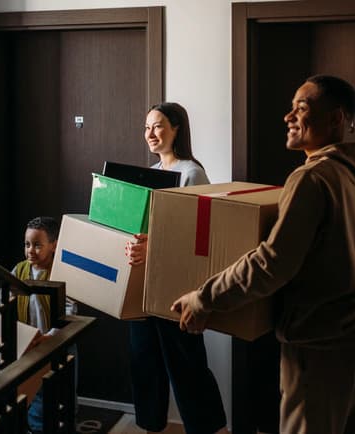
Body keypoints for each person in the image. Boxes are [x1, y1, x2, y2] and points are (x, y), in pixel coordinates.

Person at [171, 75, 355, 434]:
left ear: (335, 118)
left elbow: (272, 262)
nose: (289, 116)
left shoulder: (313, 178)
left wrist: (204, 297)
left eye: (301, 109)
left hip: (320, 340)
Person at [125, 102, 228, 434]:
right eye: (146, 127)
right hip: (143, 284)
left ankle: (207, 428)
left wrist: (152, 246)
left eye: (158, 126)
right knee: (145, 361)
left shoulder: (190, 172)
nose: (151, 134)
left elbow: (198, 236)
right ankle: (150, 426)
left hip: (175, 285)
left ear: (176, 129)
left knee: (186, 364)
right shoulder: (150, 171)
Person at [11, 216, 77, 434]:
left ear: (54, 245)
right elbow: (7, 298)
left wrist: (53, 335)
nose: (31, 250)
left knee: (58, 393)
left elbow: (70, 308)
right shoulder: (19, 271)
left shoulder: (60, 271)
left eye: (38, 245)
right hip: (29, 345)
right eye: (27, 244)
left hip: (56, 343)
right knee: (33, 395)